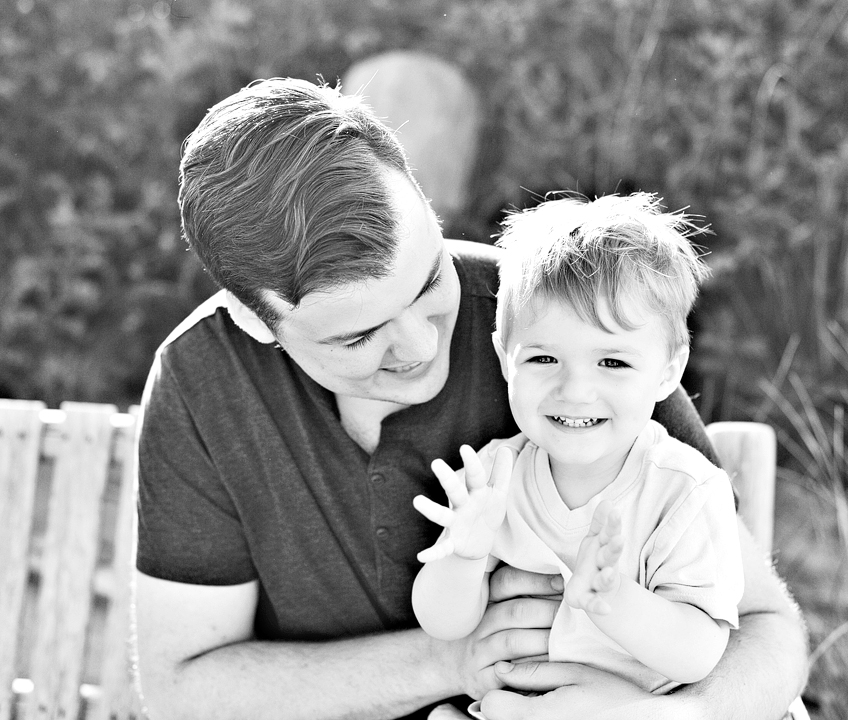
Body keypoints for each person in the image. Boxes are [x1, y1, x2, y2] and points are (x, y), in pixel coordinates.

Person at [134, 77, 808, 720]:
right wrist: (449, 661)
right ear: (257, 320)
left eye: (428, 283)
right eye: (357, 338)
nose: (421, 346)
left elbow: (765, 628)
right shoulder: (206, 381)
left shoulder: (556, 319)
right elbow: (182, 689)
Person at [412, 194, 743, 709]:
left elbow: (699, 652)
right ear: (505, 359)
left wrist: (614, 599)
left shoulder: (683, 491)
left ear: (669, 372)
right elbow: (444, 624)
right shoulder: (495, 474)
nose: (576, 390)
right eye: (544, 358)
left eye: (612, 362)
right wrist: (463, 555)